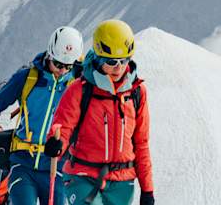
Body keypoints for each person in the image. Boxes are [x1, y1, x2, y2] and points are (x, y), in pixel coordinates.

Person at [0, 26, 84, 205]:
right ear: (49, 55)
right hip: (22, 165)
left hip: (58, 168)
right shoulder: (27, 79)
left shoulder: (78, 87)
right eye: (58, 64)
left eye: (68, 67)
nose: (62, 71)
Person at [49, 20, 154, 205]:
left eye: (124, 61)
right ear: (98, 57)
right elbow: (62, 127)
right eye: (111, 61)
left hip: (122, 183)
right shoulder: (80, 90)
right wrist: (56, 143)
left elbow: (141, 143)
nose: (119, 67)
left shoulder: (137, 92)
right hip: (82, 177)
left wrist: (147, 190)